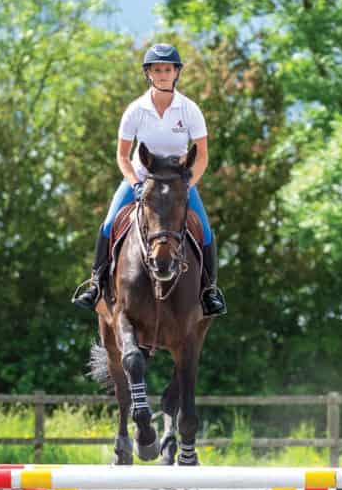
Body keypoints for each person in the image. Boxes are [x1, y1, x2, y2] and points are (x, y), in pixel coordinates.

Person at [72, 43, 227, 317]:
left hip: (178, 182)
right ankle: (96, 283)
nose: (163, 74)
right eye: (158, 70)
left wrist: (188, 185)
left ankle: (209, 291)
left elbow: (202, 156)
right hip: (142, 178)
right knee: (109, 224)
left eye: (168, 69)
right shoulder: (135, 110)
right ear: (149, 74)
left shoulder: (189, 110)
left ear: (176, 72)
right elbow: (122, 155)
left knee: (204, 228)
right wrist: (135, 183)